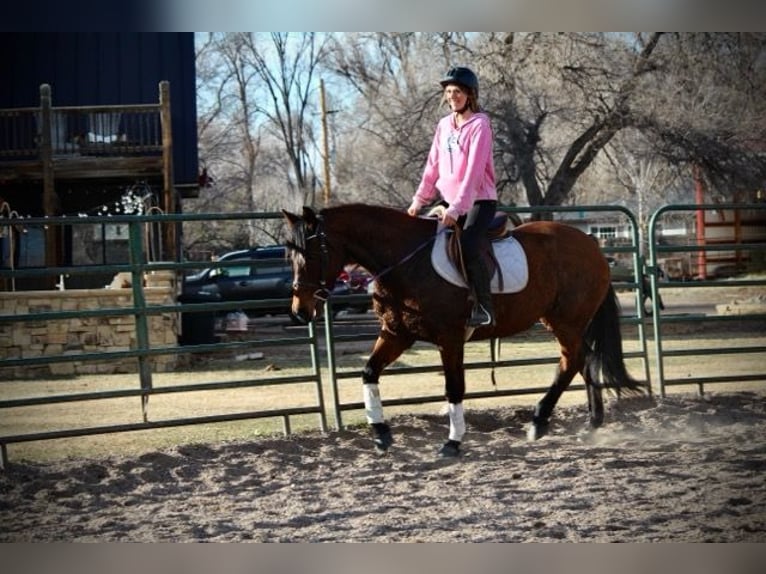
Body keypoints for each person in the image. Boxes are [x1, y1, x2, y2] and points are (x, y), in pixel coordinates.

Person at [407, 66, 498, 327]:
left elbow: (473, 173)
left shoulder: (480, 125)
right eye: (449, 92)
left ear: (470, 94)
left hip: (479, 200)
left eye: (458, 91)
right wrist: (419, 200)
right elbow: (432, 165)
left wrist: (457, 209)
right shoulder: (444, 125)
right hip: (449, 201)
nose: (452, 96)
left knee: (468, 244)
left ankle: (485, 309)